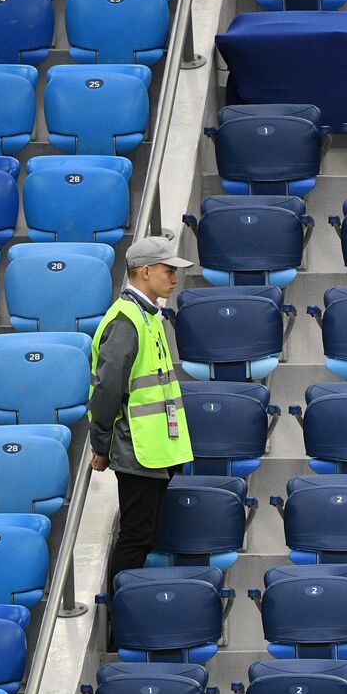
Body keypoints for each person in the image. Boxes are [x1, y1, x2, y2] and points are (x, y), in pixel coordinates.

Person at [88, 236, 196, 590]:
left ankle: (125, 618)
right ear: (146, 271)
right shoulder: (128, 321)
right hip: (136, 449)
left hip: (151, 448)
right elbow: (105, 390)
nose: (174, 279)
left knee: (143, 535)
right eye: (169, 271)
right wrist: (101, 446)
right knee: (136, 536)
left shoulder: (148, 316)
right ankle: (119, 624)